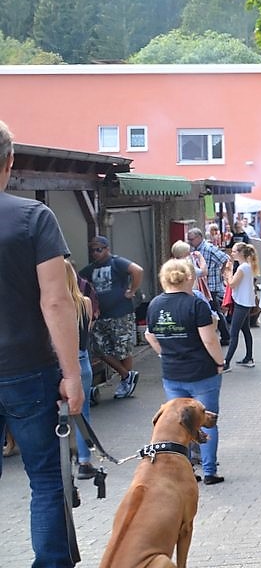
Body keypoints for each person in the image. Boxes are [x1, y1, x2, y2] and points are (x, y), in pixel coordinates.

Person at [0, 119, 82, 567]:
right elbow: (55, 300)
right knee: (47, 480)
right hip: (28, 369)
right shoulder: (34, 217)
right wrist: (72, 374)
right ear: (10, 161)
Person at [144, 259, 227, 484]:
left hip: (172, 373)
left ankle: (187, 471)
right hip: (202, 372)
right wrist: (220, 362)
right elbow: (209, 340)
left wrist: (164, 353)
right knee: (207, 419)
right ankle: (209, 471)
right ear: (189, 277)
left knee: (181, 423)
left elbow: (149, 335)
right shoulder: (196, 305)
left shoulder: (154, 304)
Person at [80, 235, 143, 399]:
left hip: (120, 312)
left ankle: (126, 383)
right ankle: (126, 375)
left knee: (123, 349)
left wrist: (132, 290)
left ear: (107, 249)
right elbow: (78, 279)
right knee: (99, 348)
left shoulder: (116, 262)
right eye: (92, 250)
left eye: (98, 250)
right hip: (101, 314)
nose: (95, 253)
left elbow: (137, 270)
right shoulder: (90, 269)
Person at [65, 261, 100, 481]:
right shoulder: (84, 302)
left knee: (55, 415)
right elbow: (87, 329)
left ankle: (61, 463)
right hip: (82, 358)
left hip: (58, 361)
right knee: (82, 411)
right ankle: (85, 461)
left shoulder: (48, 304)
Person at [188, 228, 231, 346]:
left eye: (192, 239)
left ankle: (226, 336)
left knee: (215, 310)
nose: (190, 242)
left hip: (211, 285)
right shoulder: (195, 250)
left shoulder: (209, 248)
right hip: (202, 285)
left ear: (199, 237)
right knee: (211, 310)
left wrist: (221, 273)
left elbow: (225, 259)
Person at [224, 242, 259, 369]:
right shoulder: (246, 266)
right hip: (245, 302)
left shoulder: (242, 268)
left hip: (241, 303)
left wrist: (228, 272)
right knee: (245, 330)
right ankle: (248, 357)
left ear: (240, 253)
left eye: (234, 251)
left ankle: (226, 362)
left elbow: (232, 284)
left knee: (233, 333)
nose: (232, 254)